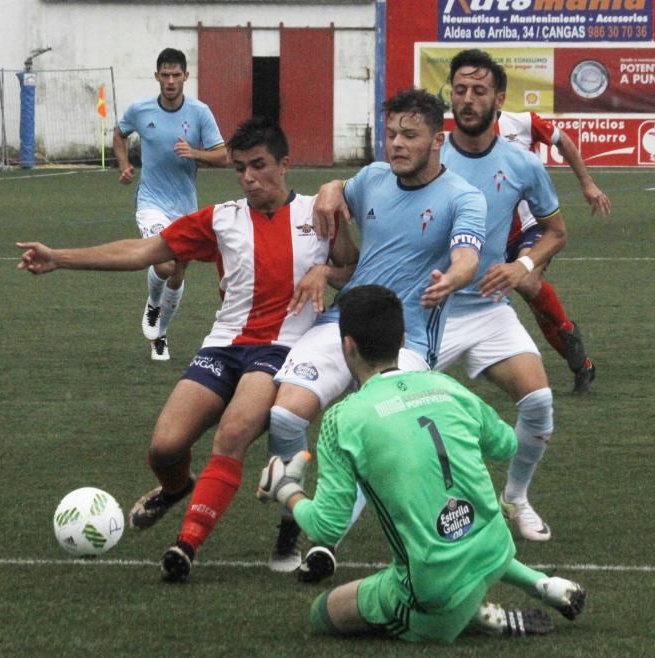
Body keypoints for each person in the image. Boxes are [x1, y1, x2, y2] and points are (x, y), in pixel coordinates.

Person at [17, 118, 359, 582]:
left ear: (284, 163)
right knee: (164, 447)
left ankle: (186, 545)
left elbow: (354, 267)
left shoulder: (320, 215)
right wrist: (60, 257)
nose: (248, 178)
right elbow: (144, 251)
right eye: (239, 168)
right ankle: (176, 489)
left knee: (232, 436)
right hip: (223, 346)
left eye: (259, 166)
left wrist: (328, 275)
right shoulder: (221, 219)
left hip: (281, 349)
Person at [255, 285, 587, 643]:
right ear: (402, 340)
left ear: (347, 345)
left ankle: (476, 616)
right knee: (466, 535)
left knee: (323, 613)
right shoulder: (445, 384)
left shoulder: (343, 419)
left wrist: (286, 490)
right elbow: (506, 444)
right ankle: (543, 584)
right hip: (496, 549)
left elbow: (327, 527)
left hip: (433, 593)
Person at [264, 87, 487, 576]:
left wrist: (454, 276)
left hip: (406, 339)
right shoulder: (374, 177)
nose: (397, 145)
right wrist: (331, 187)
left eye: (410, 135)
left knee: (376, 435)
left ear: (437, 140)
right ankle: (289, 523)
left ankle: (326, 538)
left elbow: (468, 255)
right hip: (343, 323)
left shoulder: (463, 197)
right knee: (283, 417)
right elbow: (343, 190)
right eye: (391, 134)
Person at [113, 47, 228, 361]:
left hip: (185, 206)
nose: (170, 81)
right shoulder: (140, 110)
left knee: (178, 271)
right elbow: (119, 134)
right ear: (157, 77)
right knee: (163, 262)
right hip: (150, 201)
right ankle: (153, 302)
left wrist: (196, 153)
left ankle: (160, 333)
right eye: (165, 75)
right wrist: (123, 163)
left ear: (186, 77)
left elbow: (223, 154)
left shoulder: (199, 112)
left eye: (176, 75)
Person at [496, 109, 610, 394]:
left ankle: (567, 331)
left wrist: (587, 183)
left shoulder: (522, 121)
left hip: (533, 225)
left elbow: (564, 142)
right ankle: (582, 364)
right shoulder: (464, 142)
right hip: (495, 237)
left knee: (527, 280)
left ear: (497, 96)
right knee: (538, 309)